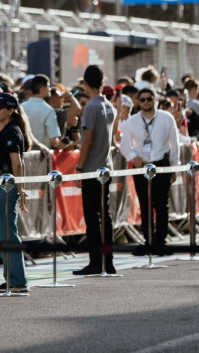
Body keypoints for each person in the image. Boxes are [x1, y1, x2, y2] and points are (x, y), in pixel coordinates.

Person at [119, 88, 180, 256]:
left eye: (149, 99)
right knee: (145, 204)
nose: (146, 102)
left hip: (161, 164)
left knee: (161, 205)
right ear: (138, 102)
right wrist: (133, 157)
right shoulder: (132, 121)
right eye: (143, 99)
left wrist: (175, 167)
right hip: (141, 166)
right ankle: (148, 241)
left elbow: (174, 144)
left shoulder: (166, 118)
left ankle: (161, 242)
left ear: (155, 100)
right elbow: (124, 146)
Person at [73, 65, 117, 276]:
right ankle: (108, 261)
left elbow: (87, 141)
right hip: (106, 166)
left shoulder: (91, 107)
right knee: (105, 216)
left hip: (92, 169)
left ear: (85, 83)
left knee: (93, 218)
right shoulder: (110, 106)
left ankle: (95, 262)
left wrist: (79, 167)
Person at [0, 93, 29, 293]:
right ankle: (14, 279)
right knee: (6, 232)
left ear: (11, 110)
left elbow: (17, 162)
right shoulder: (10, 130)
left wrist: (21, 190)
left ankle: (16, 280)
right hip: (5, 183)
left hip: (6, 184)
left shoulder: (12, 131)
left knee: (7, 233)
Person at [22, 75, 62, 150]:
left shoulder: (21, 107)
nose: (50, 89)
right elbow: (54, 141)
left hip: (24, 155)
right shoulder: (48, 110)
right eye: (48, 86)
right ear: (43, 89)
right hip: (42, 156)